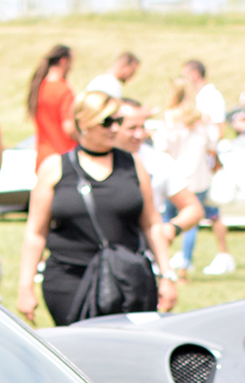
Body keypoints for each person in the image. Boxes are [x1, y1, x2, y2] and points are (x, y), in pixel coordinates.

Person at [16, 90, 166, 325]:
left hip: (127, 277)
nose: (114, 129)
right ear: (84, 123)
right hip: (70, 280)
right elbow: (36, 232)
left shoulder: (133, 165)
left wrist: (166, 276)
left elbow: (152, 224)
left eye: (118, 121)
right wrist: (25, 287)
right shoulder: (55, 168)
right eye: (106, 122)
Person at [120, 97, 201, 309]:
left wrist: (171, 228)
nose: (140, 134)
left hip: (145, 262)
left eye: (142, 126)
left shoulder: (158, 162)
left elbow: (193, 208)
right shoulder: (92, 163)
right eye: (131, 128)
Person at [158, 79, 220, 277]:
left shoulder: (169, 118)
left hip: (173, 175)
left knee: (167, 218)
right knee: (191, 219)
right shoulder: (202, 118)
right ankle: (185, 263)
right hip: (198, 175)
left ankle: (163, 262)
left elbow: (161, 147)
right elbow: (213, 144)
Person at [27, 46, 75, 161]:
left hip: (43, 157)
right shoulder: (63, 90)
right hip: (62, 157)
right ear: (64, 61)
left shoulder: (39, 86)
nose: (72, 67)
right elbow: (68, 127)